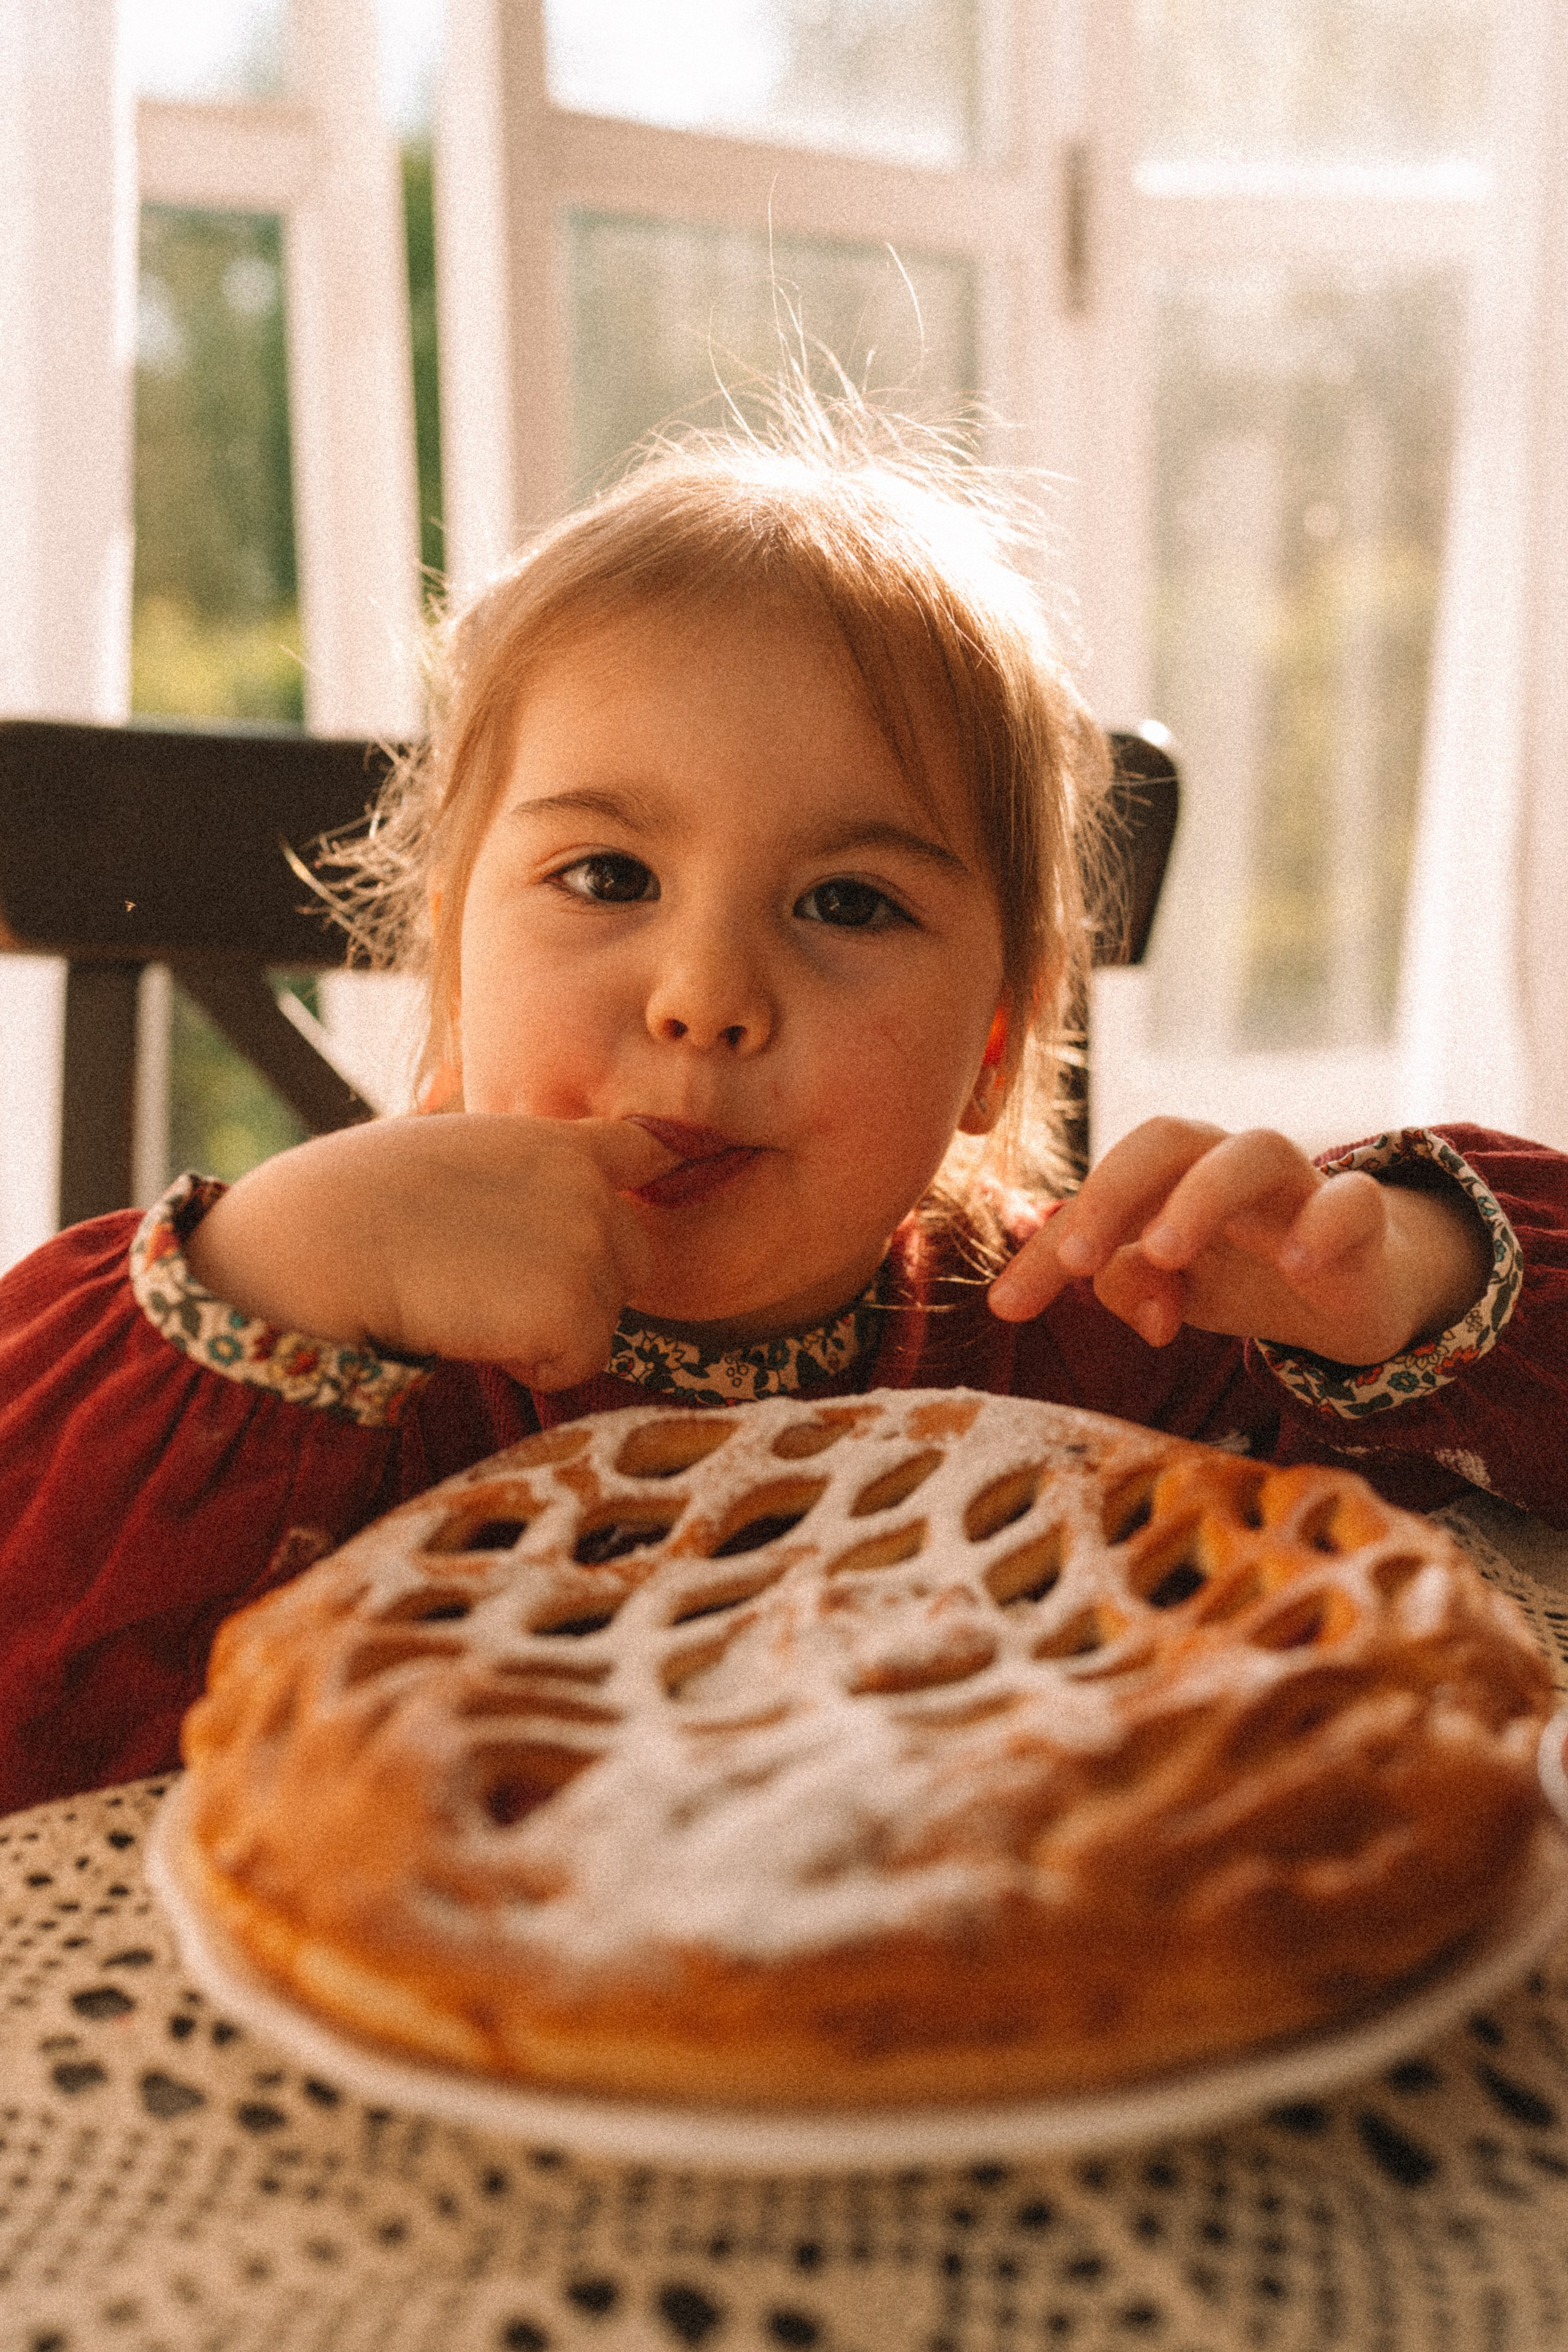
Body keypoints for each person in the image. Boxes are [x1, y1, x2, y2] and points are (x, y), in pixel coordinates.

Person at [2, 410, 1566, 1818]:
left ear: (995, 1047)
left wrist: (1412, 1286)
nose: (706, 995)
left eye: (845, 901)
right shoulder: (314, 1367)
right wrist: (265, 1278)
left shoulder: (1115, 1354)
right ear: (457, 969)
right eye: (607, 876)